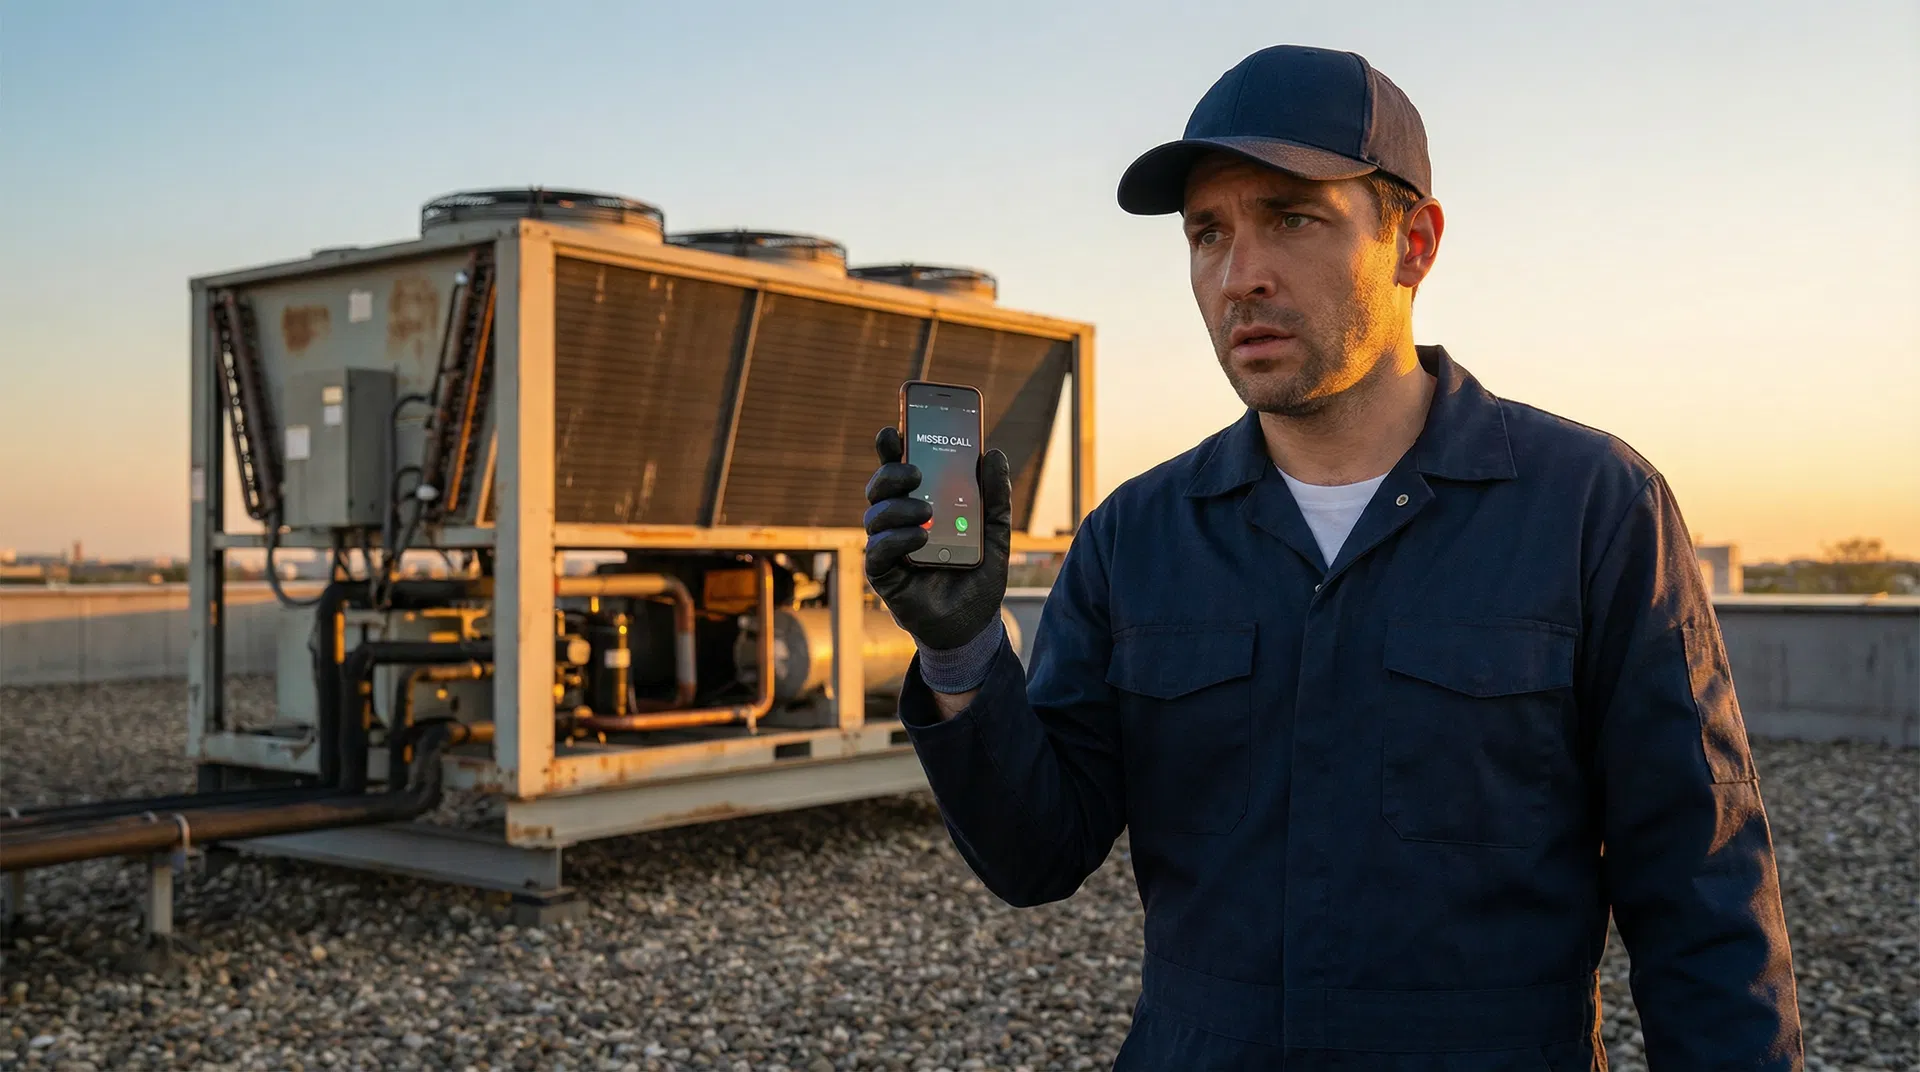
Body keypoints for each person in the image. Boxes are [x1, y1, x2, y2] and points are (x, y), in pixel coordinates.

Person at [863, 44, 1802, 1070]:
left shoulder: (1592, 508)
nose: (1238, 275)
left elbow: (1702, 891)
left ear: (1416, 242)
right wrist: (961, 655)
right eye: (1207, 232)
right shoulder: (1138, 534)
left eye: (1292, 218)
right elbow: (1036, 854)